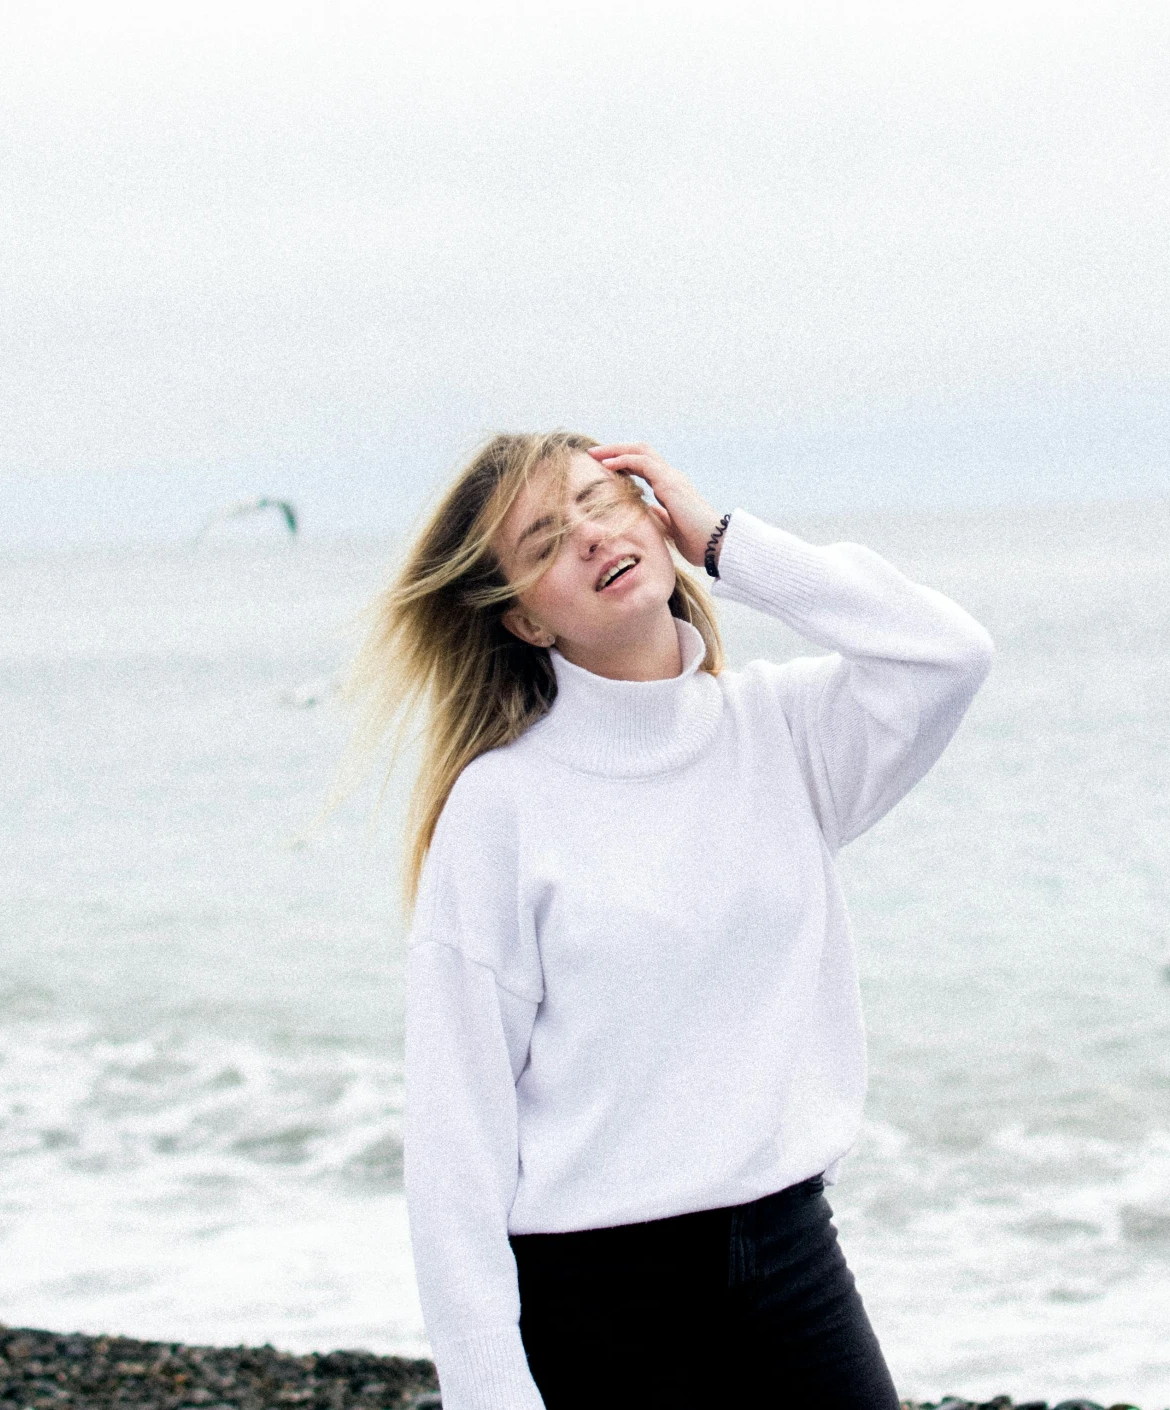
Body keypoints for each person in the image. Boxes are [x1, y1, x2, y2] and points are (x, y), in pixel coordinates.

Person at [348, 431, 994, 1410]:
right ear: (523, 618)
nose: (590, 537)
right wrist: (486, 1383)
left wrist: (729, 541)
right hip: (599, 1305)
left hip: (793, 1266)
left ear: (655, 511)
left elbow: (948, 652)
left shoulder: (783, 733)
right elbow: (456, 1132)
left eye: (602, 499)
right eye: (542, 541)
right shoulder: (501, 807)